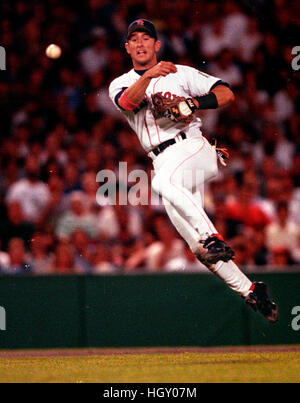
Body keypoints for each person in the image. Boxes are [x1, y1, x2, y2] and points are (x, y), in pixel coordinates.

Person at [109, 19, 278, 323]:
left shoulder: (180, 73)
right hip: (162, 159)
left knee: (162, 184)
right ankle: (251, 290)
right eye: (133, 39)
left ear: (157, 45)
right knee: (198, 248)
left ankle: (213, 235)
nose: (140, 43)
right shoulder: (119, 83)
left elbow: (226, 93)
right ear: (127, 48)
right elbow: (127, 101)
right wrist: (148, 76)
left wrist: (193, 102)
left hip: (193, 148)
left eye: (146, 38)